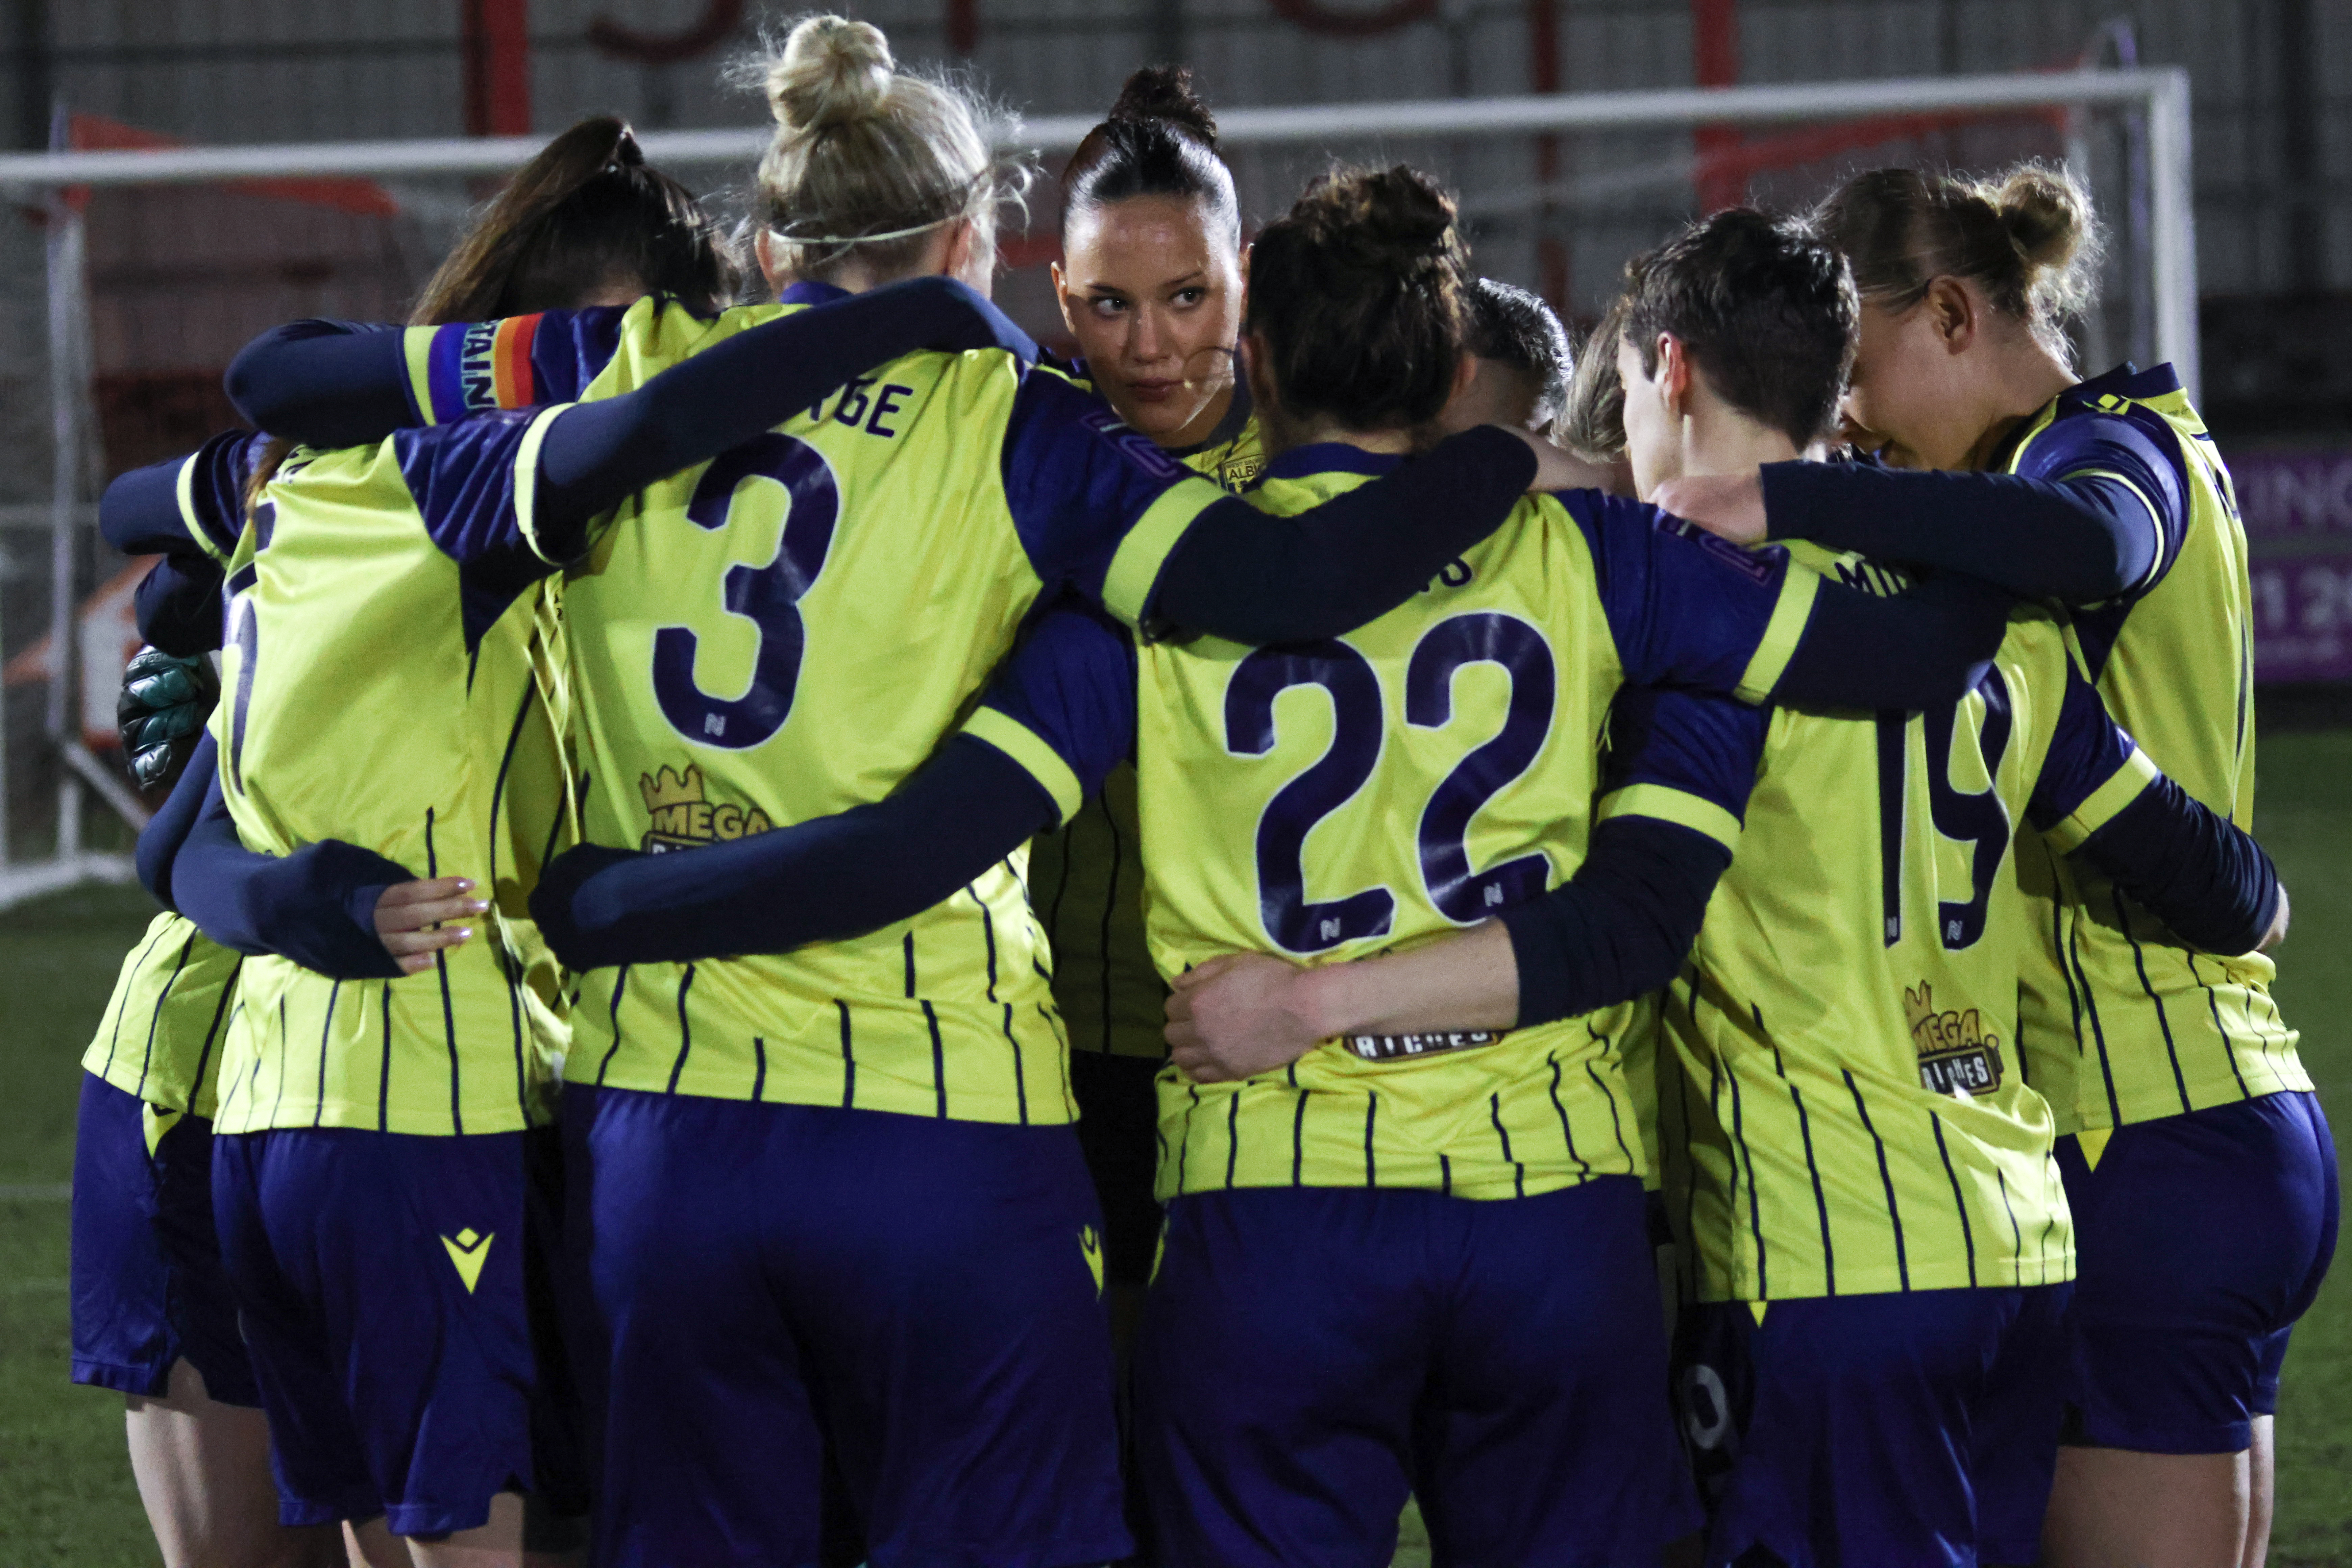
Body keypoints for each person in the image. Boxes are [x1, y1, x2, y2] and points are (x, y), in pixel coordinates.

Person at [513, 160, 2032, 1566]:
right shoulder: (1597, 558)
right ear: (1452, 376)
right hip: (1548, 1208)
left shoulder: (1157, 584)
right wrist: (1965, 516)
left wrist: (614, 898)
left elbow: (934, 833)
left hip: (1272, 1214)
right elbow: (1902, 654)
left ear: (1259, 357)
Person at [218, 20, 1586, 1564]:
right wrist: (1498, 466)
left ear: (760, 242)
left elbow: (287, 383)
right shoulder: (1023, 428)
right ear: (978, 245)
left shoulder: (631, 364)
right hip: (940, 1126)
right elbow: (1290, 579)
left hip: (666, 1126)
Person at [109, 114, 1030, 1567]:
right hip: (279, 1069)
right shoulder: (467, 478)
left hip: (435, 1066)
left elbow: (181, 518)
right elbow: (181, 691)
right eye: (602, 345)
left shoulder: (514, 499)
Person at [1655, 164, 2334, 1568]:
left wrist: (1786, 497)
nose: (1851, 417)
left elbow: (2087, 540)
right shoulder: (2062, 469)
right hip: (2219, 1106)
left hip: (2136, 1114)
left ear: (1955, 314)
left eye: (1863, 370)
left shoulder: (2104, 454)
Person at [1028, 65, 1263, 1352]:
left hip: (1264, 1024)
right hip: (1053, 1030)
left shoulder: (1320, 466)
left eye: (1188, 297)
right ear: (1059, 297)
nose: (1152, 345)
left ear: (1248, 269)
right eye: (1108, 307)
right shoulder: (1018, 456)